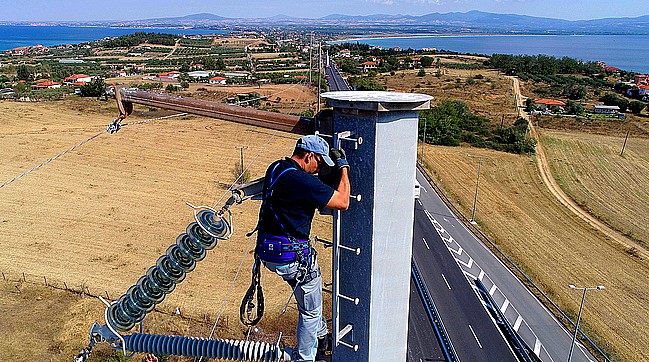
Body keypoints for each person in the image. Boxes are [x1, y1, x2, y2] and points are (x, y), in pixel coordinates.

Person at [255, 134, 350, 361]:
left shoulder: (276, 167)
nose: (318, 170)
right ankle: (306, 357)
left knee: (309, 292)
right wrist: (343, 169)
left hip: (269, 251)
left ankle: (321, 336)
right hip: (292, 256)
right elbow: (342, 201)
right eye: (319, 163)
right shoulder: (304, 181)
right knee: (310, 310)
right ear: (309, 156)